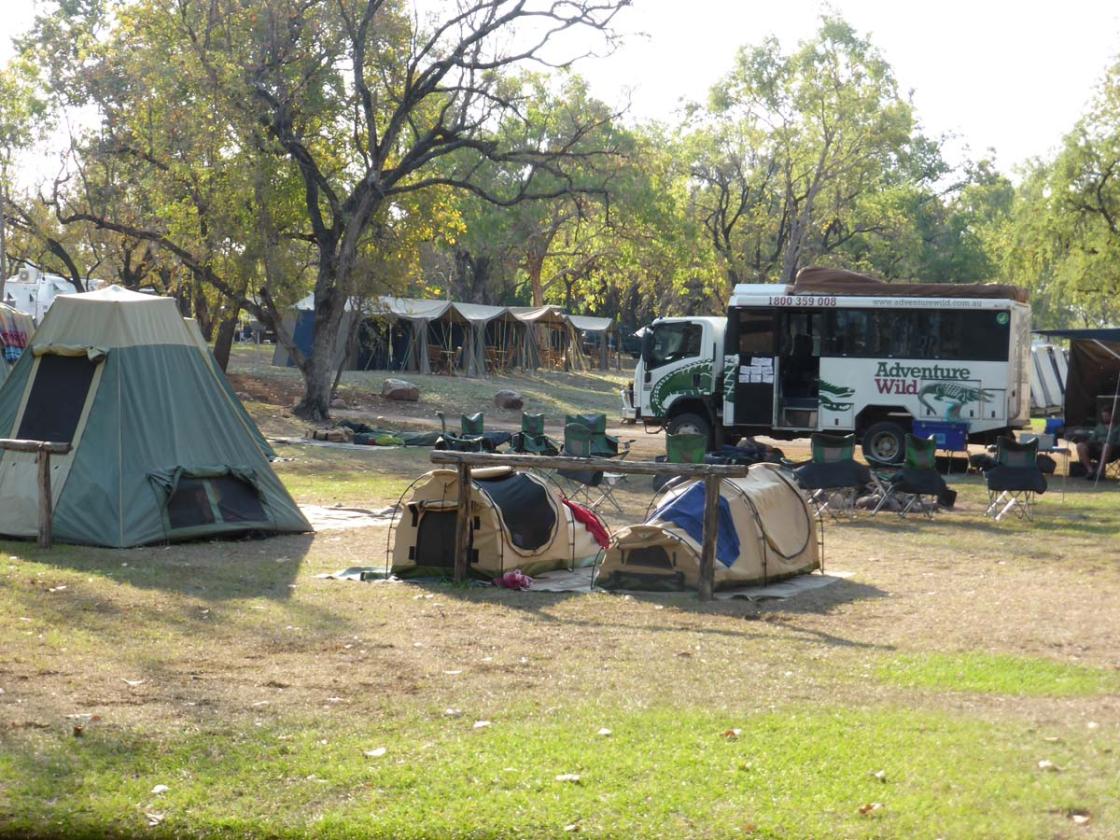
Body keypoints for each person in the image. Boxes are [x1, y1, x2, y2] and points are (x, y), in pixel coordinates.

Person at [1076, 404, 1120, 479]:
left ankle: (1099, 472)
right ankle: (1090, 470)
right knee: (1080, 445)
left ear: (1112, 416)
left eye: (1106, 416)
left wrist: (1109, 444)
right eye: (1103, 416)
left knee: (1106, 445)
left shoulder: (1118, 428)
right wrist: (1090, 443)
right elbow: (1092, 440)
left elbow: (1118, 442)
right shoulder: (1099, 427)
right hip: (1097, 449)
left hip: (1112, 451)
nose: (1104, 418)